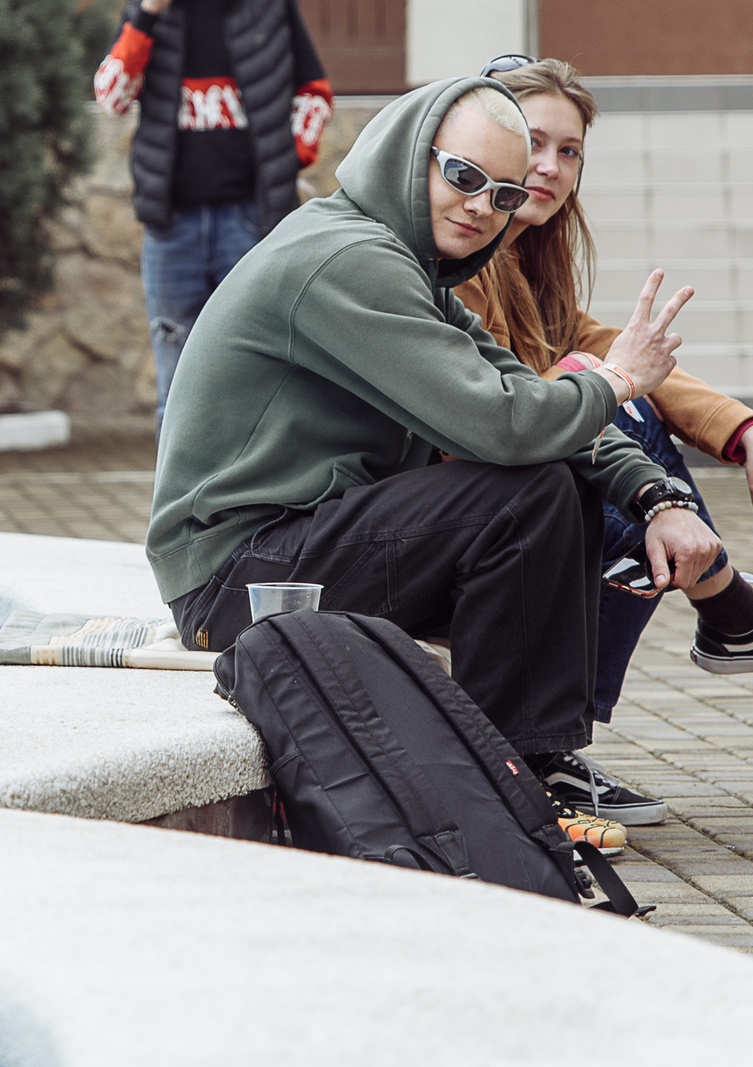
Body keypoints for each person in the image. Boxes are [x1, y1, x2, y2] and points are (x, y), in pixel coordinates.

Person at [146, 74, 719, 851]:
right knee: (527, 494)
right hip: (239, 583)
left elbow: (521, 390)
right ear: (410, 155)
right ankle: (510, 787)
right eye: (463, 176)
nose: (482, 205)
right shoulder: (349, 259)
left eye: (505, 194)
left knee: (550, 491)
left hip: (287, 552)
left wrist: (656, 496)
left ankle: (524, 772)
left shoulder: (401, 264)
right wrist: (617, 380)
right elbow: (504, 425)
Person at [453, 56, 753, 826]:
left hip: (493, 491)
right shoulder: (464, 253)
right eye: (532, 141)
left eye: (569, 151)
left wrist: (747, 432)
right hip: (431, 507)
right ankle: (728, 615)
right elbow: (519, 403)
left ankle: (718, 624)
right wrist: (658, 496)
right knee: (612, 449)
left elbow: (597, 352)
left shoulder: (527, 255)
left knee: (618, 408)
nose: (550, 166)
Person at [93, 0, 334, 425]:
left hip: (251, 219)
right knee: (176, 386)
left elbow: (314, 95)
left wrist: (285, 162)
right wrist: (147, 13)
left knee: (261, 375)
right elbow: (110, 98)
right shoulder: (144, 1)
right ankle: (181, 487)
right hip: (171, 226)